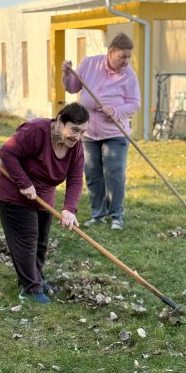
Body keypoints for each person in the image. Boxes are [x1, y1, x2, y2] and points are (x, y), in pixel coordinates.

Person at [0, 102, 89, 304]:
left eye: (82, 132)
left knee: (40, 243)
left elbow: (75, 179)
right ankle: (30, 289)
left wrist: (69, 209)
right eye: (74, 130)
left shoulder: (76, 147)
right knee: (26, 240)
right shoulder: (35, 131)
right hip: (14, 193)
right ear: (60, 121)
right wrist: (23, 182)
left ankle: (35, 279)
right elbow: (6, 152)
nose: (78, 137)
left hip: (43, 197)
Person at [62, 32, 141, 231]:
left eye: (128, 57)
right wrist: (68, 73)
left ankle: (116, 216)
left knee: (114, 173)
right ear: (111, 52)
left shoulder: (129, 75)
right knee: (92, 173)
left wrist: (116, 111)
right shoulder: (90, 64)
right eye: (122, 56)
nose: (126, 61)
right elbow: (72, 87)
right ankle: (98, 215)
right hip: (88, 133)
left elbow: (134, 103)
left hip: (115, 133)